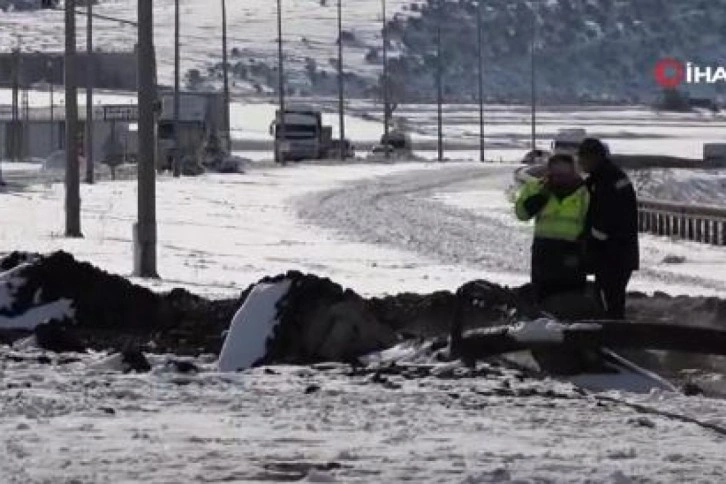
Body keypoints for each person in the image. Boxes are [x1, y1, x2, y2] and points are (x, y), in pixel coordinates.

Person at [577, 138, 639, 320]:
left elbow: (609, 218)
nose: (580, 163)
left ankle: (614, 337)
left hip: (613, 253)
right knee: (607, 297)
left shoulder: (609, 180)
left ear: (594, 157)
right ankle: (611, 335)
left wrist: (590, 239)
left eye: (583, 158)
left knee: (610, 299)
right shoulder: (604, 178)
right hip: (614, 252)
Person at [515, 154, 590, 302]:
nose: (560, 178)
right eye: (556, 174)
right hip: (544, 252)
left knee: (572, 299)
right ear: (549, 172)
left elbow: (591, 221)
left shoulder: (584, 192)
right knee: (543, 298)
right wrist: (541, 196)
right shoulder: (536, 188)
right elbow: (522, 213)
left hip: (572, 251)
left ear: (573, 172)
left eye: (564, 174)